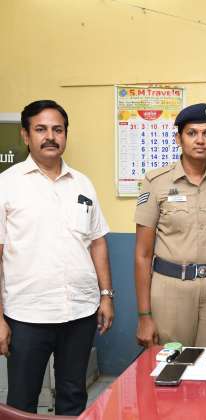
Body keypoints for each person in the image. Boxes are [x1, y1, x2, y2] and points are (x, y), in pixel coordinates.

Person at [0, 100, 114, 415]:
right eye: (41, 129)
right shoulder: (7, 184)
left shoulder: (83, 183)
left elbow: (98, 243)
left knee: (73, 396)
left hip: (79, 311)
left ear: (65, 134)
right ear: (25, 136)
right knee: (22, 401)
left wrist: (106, 295)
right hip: (27, 316)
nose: (50, 136)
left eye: (57, 129)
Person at [134, 103, 206, 348]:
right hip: (171, 290)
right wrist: (144, 316)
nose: (200, 140)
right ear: (179, 138)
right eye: (192, 133)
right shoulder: (156, 182)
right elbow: (143, 254)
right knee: (171, 364)